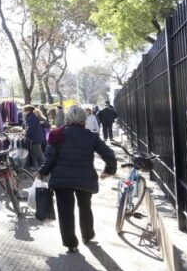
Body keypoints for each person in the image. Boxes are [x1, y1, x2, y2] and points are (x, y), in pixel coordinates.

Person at [38, 105, 117, 253]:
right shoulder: (91, 136)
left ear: (67, 118)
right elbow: (109, 154)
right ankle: (87, 235)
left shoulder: (56, 134)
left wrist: (42, 172)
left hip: (62, 181)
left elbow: (50, 159)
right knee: (85, 207)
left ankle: (70, 243)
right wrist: (109, 170)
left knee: (65, 212)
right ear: (84, 119)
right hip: (85, 179)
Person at [23, 104, 46, 169]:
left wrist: (25, 134)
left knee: (39, 154)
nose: (23, 112)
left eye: (24, 110)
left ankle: (45, 167)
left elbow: (30, 129)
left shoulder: (32, 117)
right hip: (35, 138)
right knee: (34, 154)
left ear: (28, 110)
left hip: (35, 139)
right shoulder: (31, 116)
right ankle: (36, 167)